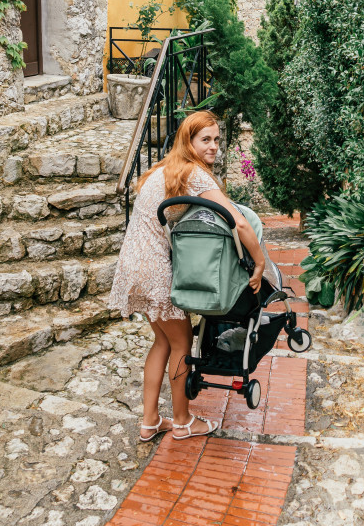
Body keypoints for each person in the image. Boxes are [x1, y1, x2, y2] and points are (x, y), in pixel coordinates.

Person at [108, 110, 265, 441]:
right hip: (154, 268)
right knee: (182, 343)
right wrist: (260, 261)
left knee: (162, 341)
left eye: (217, 140)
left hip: (132, 264)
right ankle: (182, 421)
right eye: (205, 140)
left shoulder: (164, 170)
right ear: (188, 140)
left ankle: (150, 421)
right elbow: (238, 221)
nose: (213, 147)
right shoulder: (196, 175)